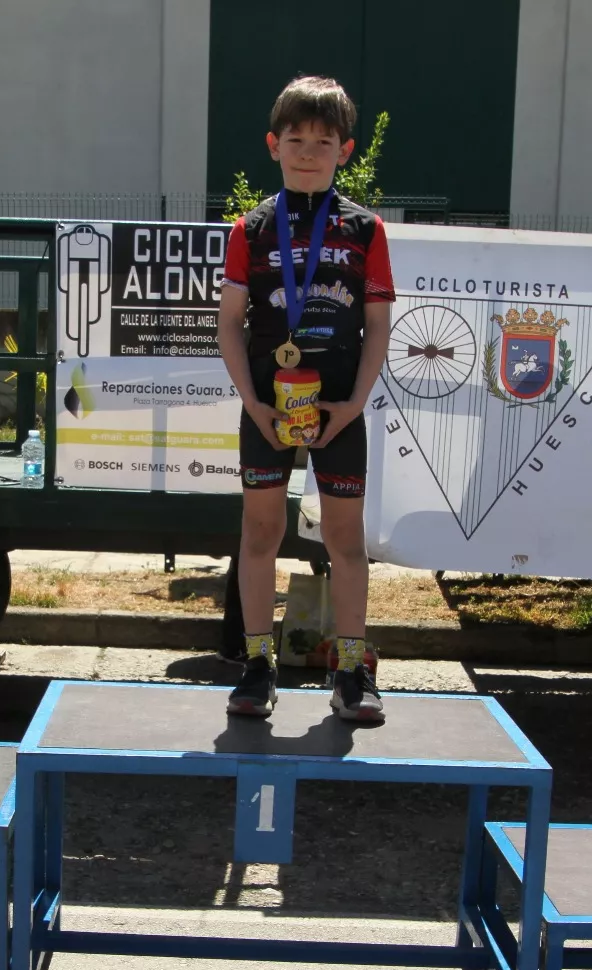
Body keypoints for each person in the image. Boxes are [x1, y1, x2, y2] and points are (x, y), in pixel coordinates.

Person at [218, 76, 394, 722]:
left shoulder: (366, 230)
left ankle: (350, 669)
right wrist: (252, 402)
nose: (309, 153)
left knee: (345, 539)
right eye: (296, 141)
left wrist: (355, 404)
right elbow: (228, 326)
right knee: (260, 532)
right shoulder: (250, 229)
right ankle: (256, 664)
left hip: (339, 406)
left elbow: (377, 326)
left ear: (345, 150)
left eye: (324, 142)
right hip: (267, 405)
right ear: (274, 145)